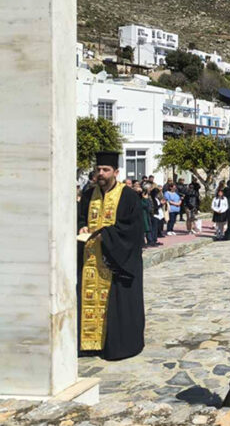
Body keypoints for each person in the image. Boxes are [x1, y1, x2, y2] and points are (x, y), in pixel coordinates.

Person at [76, 151, 145, 360]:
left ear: (116, 172)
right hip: (90, 260)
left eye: (106, 170)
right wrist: (82, 227)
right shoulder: (89, 195)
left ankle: (115, 346)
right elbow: (79, 218)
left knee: (116, 305)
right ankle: (88, 345)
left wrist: (105, 235)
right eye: (99, 170)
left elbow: (133, 230)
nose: (101, 174)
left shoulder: (128, 196)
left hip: (117, 262)